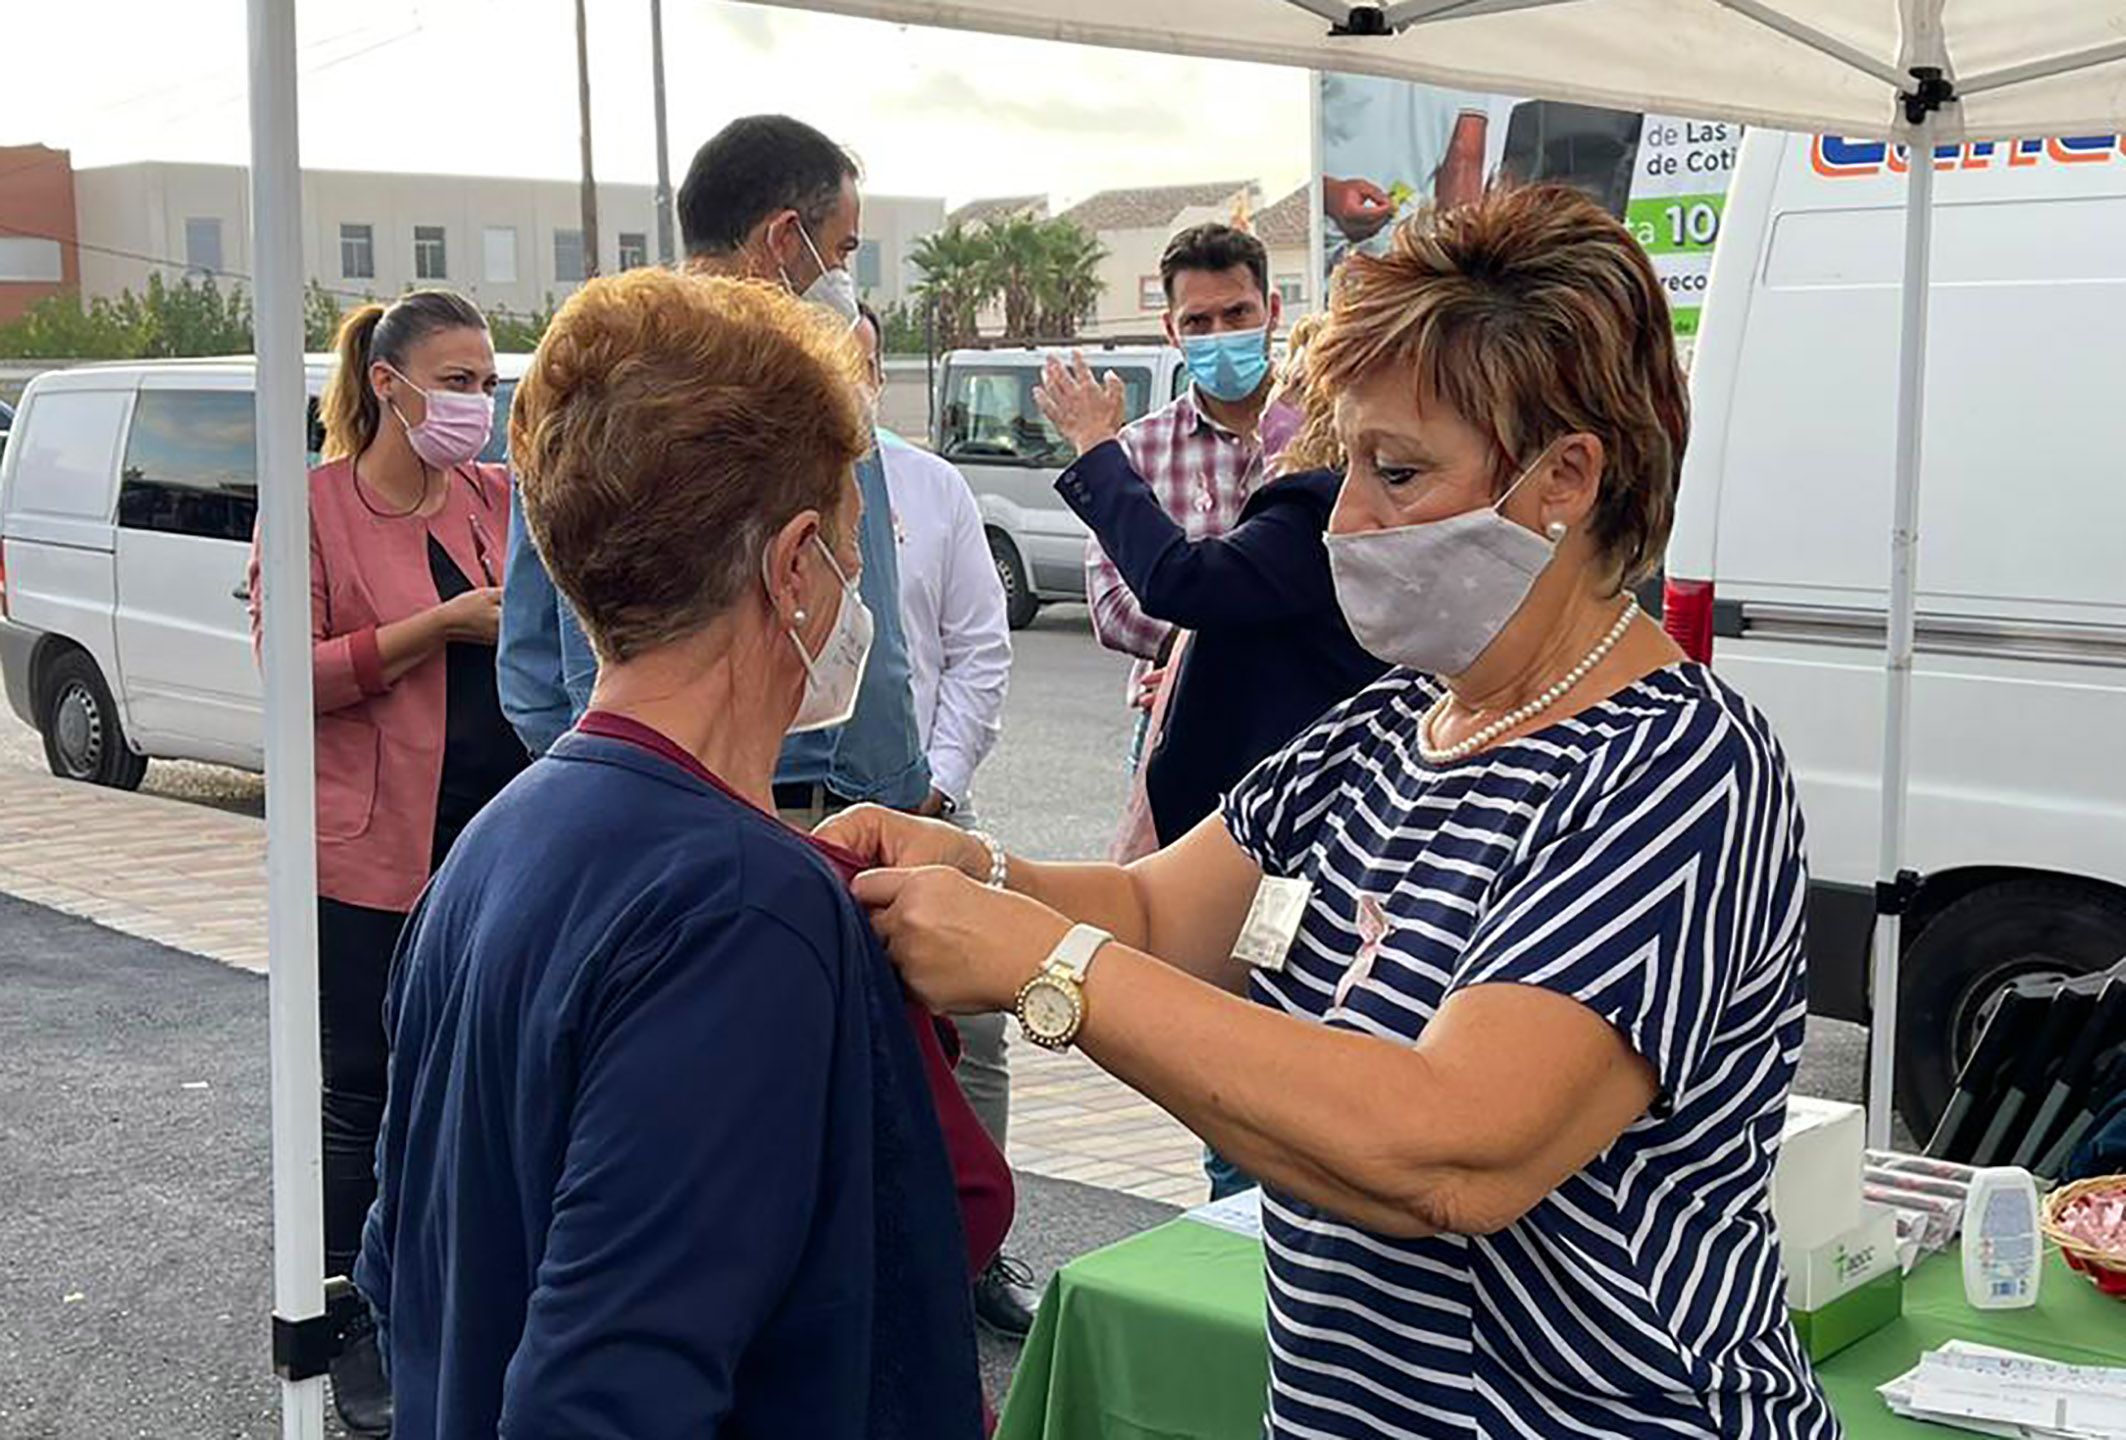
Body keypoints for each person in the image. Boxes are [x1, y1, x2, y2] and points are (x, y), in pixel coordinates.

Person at [827, 186, 1839, 1439]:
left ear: (1565, 477)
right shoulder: (1386, 727)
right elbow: (1158, 907)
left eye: (1397, 472)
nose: (1346, 521)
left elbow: (1450, 1151)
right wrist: (976, 867)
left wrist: (1046, 968)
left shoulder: (1672, 770)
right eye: (1340, 464)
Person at [357, 271, 998, 1440]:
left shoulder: (490, 848)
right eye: (857, 553)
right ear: (794, 566)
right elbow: (608, 1398)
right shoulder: (743, 910)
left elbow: (404, 1267)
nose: (860, 597)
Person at [247, 289, 525, 1435]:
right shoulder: (312, 507)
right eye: (458, 382)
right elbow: (286, 676)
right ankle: (348, 1308)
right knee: (362, 1087)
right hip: (370, 847)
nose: (478, 404)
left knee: (478, 1077)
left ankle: (452, 1295)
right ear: (387, 383)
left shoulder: (492, 497)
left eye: (486, 382)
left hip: (495, 838)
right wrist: (437, 630)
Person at [497, 114, 930, 826]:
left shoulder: (579, 380)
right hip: (813, 806)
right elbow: (867, 621)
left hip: (626, 795)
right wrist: (901, 787)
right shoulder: (813, 387)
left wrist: (604, 778)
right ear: (785, 237)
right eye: (842, 251)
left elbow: (528, 659)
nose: (845, 277)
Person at [854, 303, 1038, 1335]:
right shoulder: (745, 480)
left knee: (973, 1029)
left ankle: (980, 1254)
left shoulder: (929, 486)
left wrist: (934, 779)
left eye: (862, 362)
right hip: (806, 816)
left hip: (927, 805)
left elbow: (979, 649)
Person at [1083, 223, 1279, 768]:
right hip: (1179, 724)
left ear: (1273, 311)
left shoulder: (1326, 432)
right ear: (1172, 330)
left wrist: (1204, 649)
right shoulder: (1138, 450)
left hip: (1309, 726)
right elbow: (1113, 602)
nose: (1218, 334)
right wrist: (1214, 662)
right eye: (1198, 321)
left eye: (1237, 314)